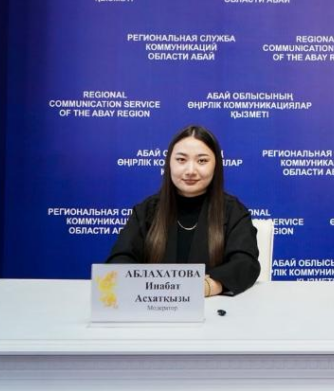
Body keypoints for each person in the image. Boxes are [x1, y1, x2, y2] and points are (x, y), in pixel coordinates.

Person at [107, 125, 260, 295]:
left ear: (216, 166)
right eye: (181, 160)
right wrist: (154, 288)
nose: (190, 171)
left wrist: (208, 286)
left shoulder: (233, 211)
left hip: (211, 305)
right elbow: (119, 261)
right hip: (154, 304)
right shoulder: (146, 211)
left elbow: (245, 263)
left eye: (202, 161)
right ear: (169, 164)